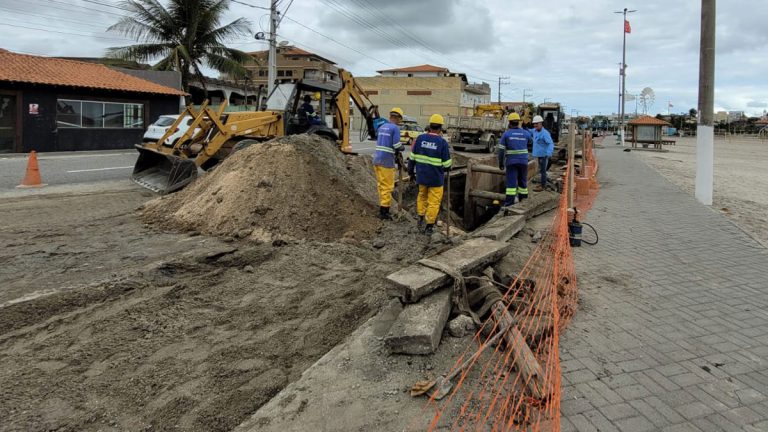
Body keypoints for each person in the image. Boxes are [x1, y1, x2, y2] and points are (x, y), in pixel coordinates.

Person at [408, 114, 452, 234]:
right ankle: (429, 226)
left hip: (422, 176)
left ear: (430, 126)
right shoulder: (442, 143)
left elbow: (412, 158)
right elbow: (447, 164)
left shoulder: (420, 139)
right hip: (436, 179)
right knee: (434, 202)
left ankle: (420, 218)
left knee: (422, 196)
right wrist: (447, 167)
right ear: (440, 128)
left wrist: (411, 172)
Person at [372, 107, 405, 220]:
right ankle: (384, 212)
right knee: (387, 186)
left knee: (381, 186)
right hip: (386, 161)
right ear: (399, 118)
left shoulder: (382, 126)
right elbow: (396, 145)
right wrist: (402, 148)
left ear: (390, 116)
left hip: (377, 159)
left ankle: (382, 206)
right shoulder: (395, 128)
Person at [498, 112, 533, 207]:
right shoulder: (525, 133)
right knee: (523, 182)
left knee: (511, 184)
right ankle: (523, 202)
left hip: (511, 162)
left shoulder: (506, 134)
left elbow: (501, 151)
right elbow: (531, 142)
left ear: (509, 123)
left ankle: (509, 204)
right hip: (523, 161)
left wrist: (501, 163)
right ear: (518, 122)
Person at [531, 115, 555, 191]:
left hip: (544, 155)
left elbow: (550, 143)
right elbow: (529, 131)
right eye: (534, 124)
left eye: (536, 124)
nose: (535, 125)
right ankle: (543, 182)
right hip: (539, 154)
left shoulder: (545, 133)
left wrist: (549, 153)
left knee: (543, 171)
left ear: (541, 123)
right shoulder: (535, 131)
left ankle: (543, 185)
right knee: (541, 170)